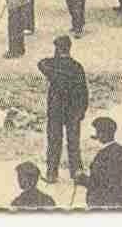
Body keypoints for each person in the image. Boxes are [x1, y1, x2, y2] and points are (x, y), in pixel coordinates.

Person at [37, 34, 87, 182]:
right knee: (73, 142)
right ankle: (76, 172)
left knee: (54, 142)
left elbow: (41, 63)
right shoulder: (77, 67)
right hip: (73, 111)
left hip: (56, 110)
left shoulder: (53, 66)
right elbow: (84, 91)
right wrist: (82, 111)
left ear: (57, 49)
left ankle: (52, 173)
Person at [75, 116, 122, 207]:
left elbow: (99, 184)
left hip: (103, 204)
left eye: (98, 132)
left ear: (104, 134)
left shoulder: (103, 155)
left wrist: (82, 179)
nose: (97, 136)